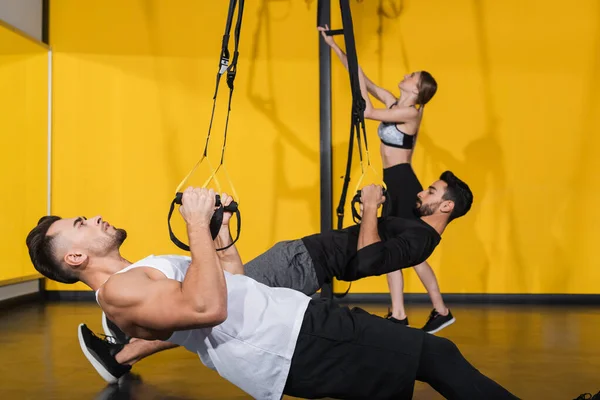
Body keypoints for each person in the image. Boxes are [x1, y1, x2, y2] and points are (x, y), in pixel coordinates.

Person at [27, 187, 515, 399]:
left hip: (293, 324)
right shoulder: (119, 292)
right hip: (290, 341)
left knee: (418, 369)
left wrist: (216, 230)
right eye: (80, 224)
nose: (92, 218)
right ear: (75, 259)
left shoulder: (138, 272)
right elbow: (207, 307)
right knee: (437, 355)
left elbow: (233, 278)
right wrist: (195, 223)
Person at [319, 24, 455, 333]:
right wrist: (337, 49)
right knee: (395, 248)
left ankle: (439, 310)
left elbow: (365, 110)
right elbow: (363, 81)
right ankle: (399, 314)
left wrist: (361, 90)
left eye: (411, 77)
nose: (406, 76)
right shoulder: (396, 102)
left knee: (413, 253)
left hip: (404, 184)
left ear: (417, 91)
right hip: (393, 181)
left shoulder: (411, 114)